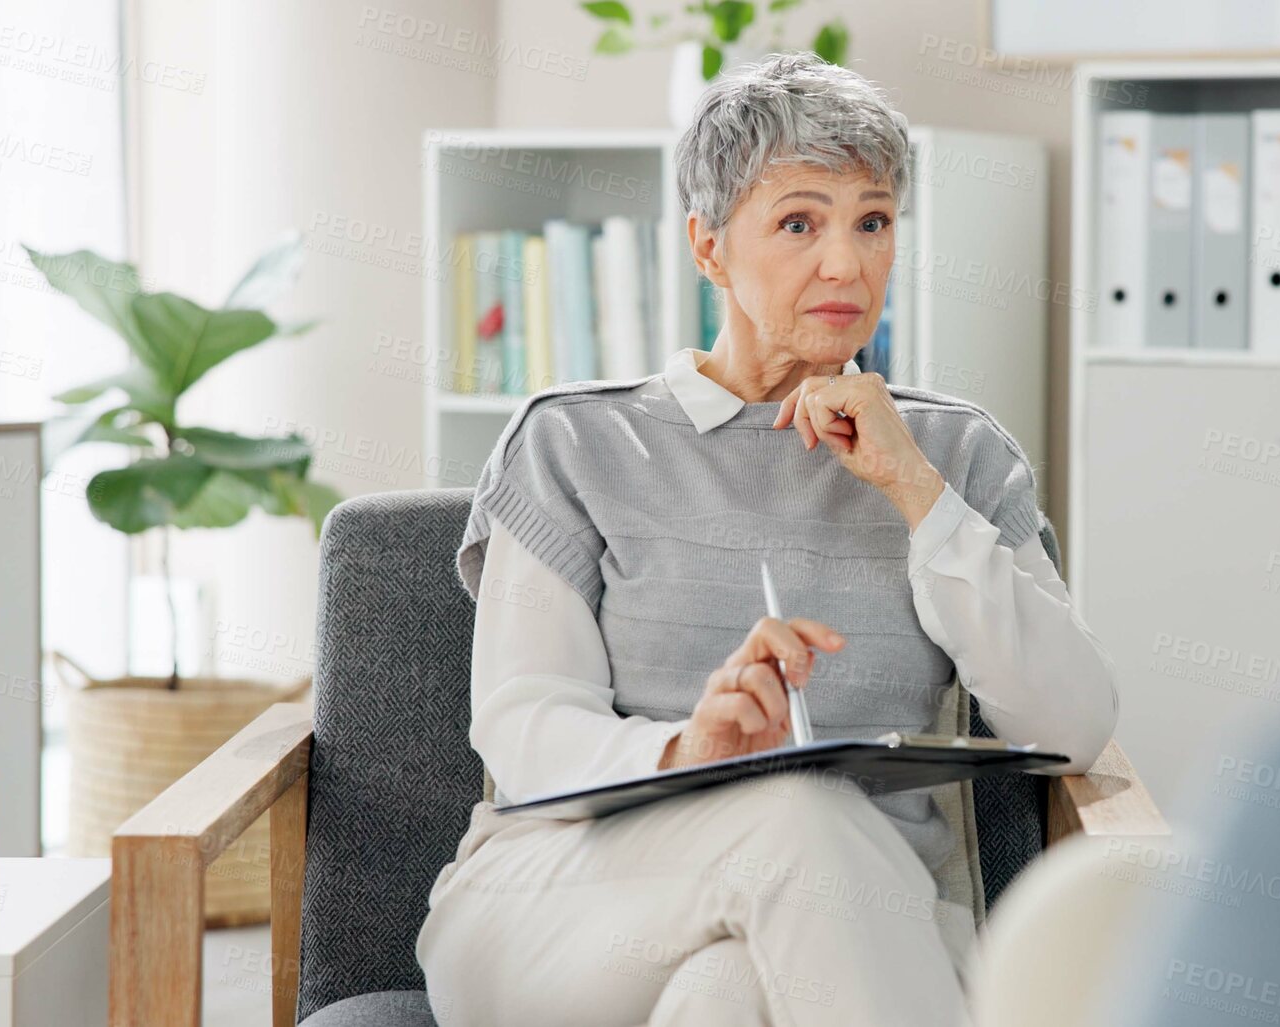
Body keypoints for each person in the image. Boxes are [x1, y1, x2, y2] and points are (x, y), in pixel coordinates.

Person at [414, 52, 1119, 1027]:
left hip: (849, 930)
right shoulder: (573, 440)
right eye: (799, 222)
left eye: (873, 221)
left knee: (726, 996)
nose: (847, 263)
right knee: (796, 810)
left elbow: (1072, 720)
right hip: (564, 904)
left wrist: (915, 488)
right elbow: (526, 727)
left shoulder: (953, 451)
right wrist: (688, 747)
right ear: (708, 248)